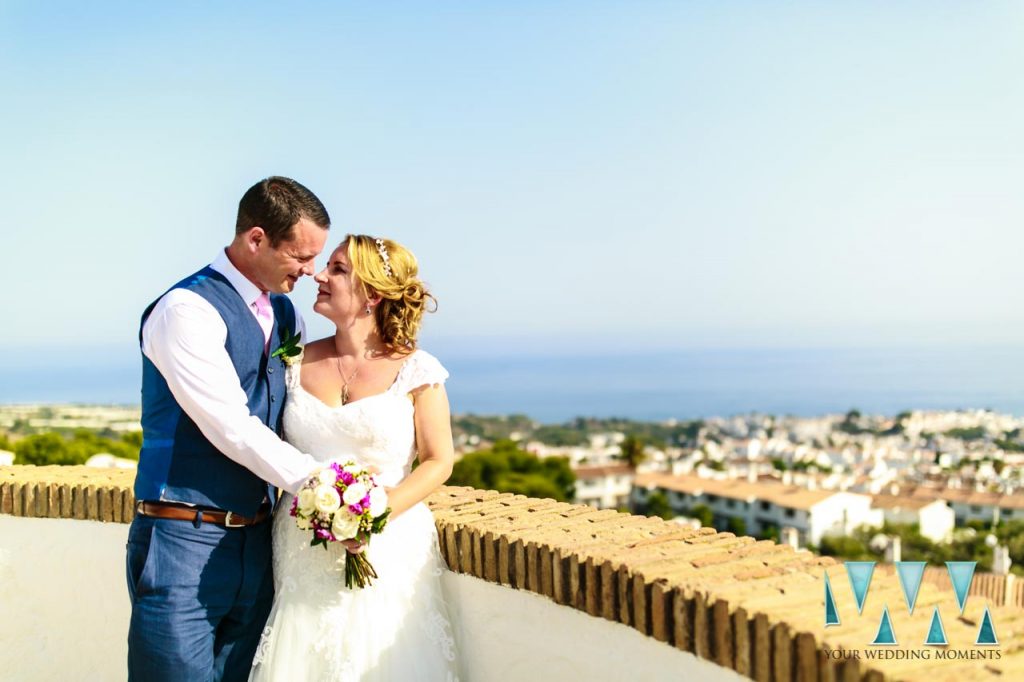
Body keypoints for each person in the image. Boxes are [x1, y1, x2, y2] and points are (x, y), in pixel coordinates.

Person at [127, 177, 332, 682]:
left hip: (259, 545)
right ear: (256, 239)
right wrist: (325, 485)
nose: (311, 271)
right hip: (182, 540)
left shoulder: (287, 315)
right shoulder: (186, 310)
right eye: (300, 257)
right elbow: (229, 424)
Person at [249, 235, 461, 681]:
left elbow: (439, 460)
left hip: (391, 544)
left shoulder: (416, 370)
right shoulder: (294, 361)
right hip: (301, 544)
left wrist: (379, 512)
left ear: (373, 295)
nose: (319, 277)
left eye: (338, 270)